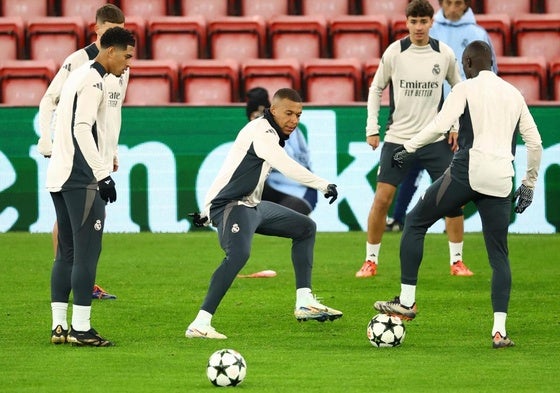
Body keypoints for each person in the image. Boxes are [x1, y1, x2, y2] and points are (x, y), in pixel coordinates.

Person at [374, 40, 542, 349]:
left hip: (467, 172)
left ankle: (408, 301)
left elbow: (440, 126)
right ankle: (499, 332)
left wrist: (408, 148)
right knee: (499, 256)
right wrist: (529, 183)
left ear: (466, 64)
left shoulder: (464, 89)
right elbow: (534, 143)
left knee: (415, 222)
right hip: (502, 179)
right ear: (492, 62)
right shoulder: (513, 94)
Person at [186, 88, 342, 340]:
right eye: (289, 113)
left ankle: (304, 301)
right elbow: (286, 165)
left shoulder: (269, 132)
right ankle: (200, 323)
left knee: (305, 228)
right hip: (231, 205)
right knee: (239, 254)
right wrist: (323, 184)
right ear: (273, 109)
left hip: (251, 206)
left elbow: (229, 171)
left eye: (299, 115)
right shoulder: (263, 132)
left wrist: (205, 213)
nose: (294, 120)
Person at [356, 0, 473, 278]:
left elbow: (459, 89)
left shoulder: (443, 53)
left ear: (432, 22)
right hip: (398, 139)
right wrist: (371, 127)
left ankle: (456, 262)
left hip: (434, 139)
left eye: (423, 21)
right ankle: (370, 261)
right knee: (382, 199)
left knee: (452, 199)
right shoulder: (395, 53)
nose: (418, 27)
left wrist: (454, 124)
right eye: (414, 21)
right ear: (406, 22)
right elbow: (376, 89)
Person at [47, 27, 135, 346]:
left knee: (66, 254)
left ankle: (59, 326)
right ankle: (81, 329)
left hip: (60, 174)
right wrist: (102, 174)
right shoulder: (94, 81)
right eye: (126, 56)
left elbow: (62, 122)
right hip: (80, 178)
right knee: (87, 254)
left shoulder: (79, 75)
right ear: (109, 51)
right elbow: (82, 127)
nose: (128, 65)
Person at [38, 4, 127, 300]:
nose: (114, 34)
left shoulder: (120, 65)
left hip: (99, 152)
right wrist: (47, 139)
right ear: (96, 30)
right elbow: (49, 100)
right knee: (71, 222)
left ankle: (79, 280)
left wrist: (110, 149)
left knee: (85, 223)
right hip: (76, 153)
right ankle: (71, 281)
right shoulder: (78, 62)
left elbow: (112, 112)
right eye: (108, 29)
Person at [386, 0, 498, 235]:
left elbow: (491, 72)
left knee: (457, 169)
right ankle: (398, 218)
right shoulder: (431, 30)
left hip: (466, 112)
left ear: (465, 5)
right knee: (414, 164)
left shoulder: (478, 33)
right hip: (431, 111)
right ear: (441, 4)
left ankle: (453, 221)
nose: (453, 8)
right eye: (448, 3)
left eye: (458, 3)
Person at [246, 87, 318, 215]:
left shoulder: (286, 130)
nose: (258, 119)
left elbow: (287, 161)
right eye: (254, 115)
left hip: (298, 189)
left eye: (262, 114)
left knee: (283, 220)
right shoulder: (251, 134)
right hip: (272, 187)